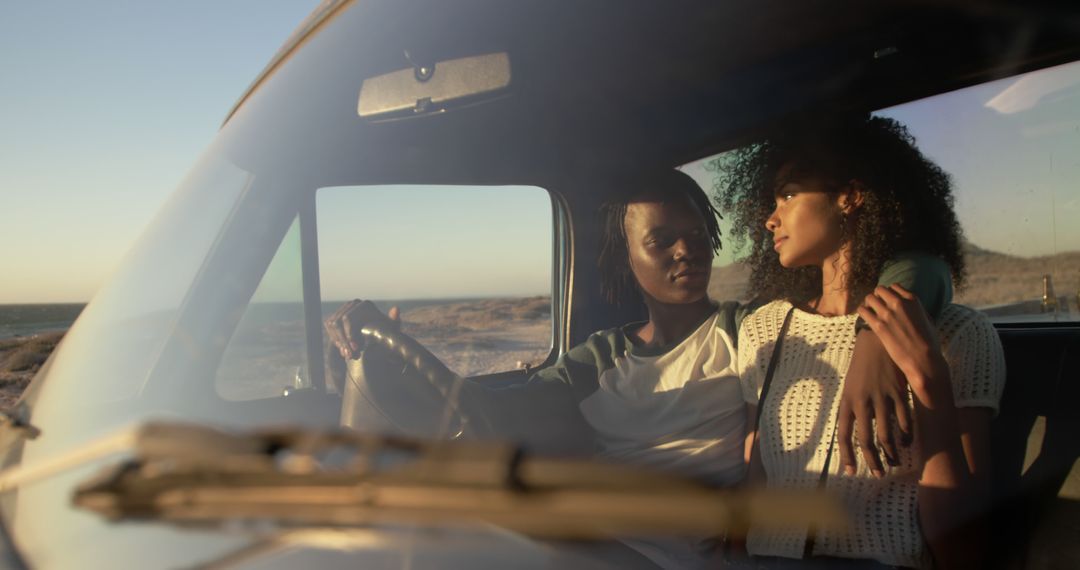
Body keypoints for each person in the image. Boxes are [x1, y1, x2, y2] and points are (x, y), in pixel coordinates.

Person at [324, 168, 951, 569]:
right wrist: (394, 351)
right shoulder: (600, 358)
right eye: (661, 241)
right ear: (626, 262)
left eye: (698, 232)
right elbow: (486, 410)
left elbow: (924, 267)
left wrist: (873, 334)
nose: (688, 249)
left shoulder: (747, 330)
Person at [719, 115, 1006, 569]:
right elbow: (756, 482)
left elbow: (962, 551)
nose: (770, 219)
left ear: (850, 196)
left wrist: (928, 379)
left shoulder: (956, 333)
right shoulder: (764, 329)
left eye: (789, 194)